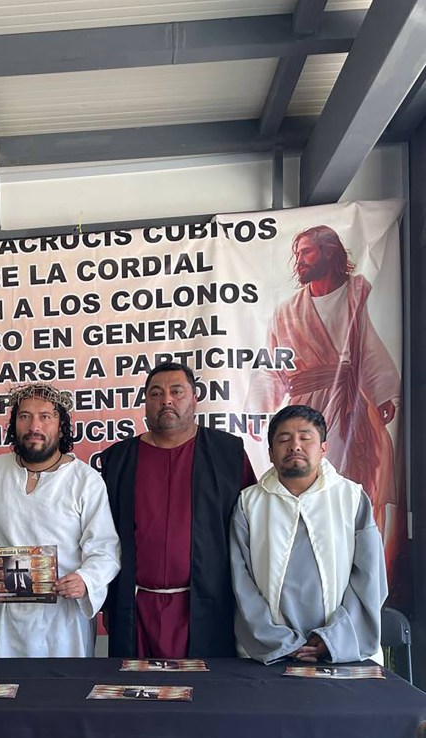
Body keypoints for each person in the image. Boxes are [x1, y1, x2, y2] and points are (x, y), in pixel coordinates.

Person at [246, 225, 401, 534]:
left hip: (352, 405)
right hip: (305, 408)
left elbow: (369, 344)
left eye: (306, 252)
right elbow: (272, 364)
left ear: (328, 252)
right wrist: (258, 409)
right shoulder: (287, 311)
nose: (299, 260)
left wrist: (383, 391)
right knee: (307, 485)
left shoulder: (357, 294)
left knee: (355, 483)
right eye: (297, 254)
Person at [100, 361, 255, 660]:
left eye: (176, 391)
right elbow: (103, 538)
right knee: (131, 688)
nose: (166, 400)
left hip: (208, 607)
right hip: (135, 608)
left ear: (195, 398)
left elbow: (251, 532)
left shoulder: (228, 454)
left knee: (207, 687)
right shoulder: (118, 460)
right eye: (156, 393)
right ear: (145, 402)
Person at [231, 405, 386, 664]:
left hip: (339, 649)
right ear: (270, 452)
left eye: (305, 437)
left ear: (323, 448)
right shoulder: (249, 503)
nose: (295, 446)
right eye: (284, 439)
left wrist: (333, 639)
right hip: (270, 651)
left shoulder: (351, 498)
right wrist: (278, 641)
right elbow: (240, 581)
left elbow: (369, 580)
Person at [0, 384, 120, 657]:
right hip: (8, 620)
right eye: (25, 416)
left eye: (45, 416)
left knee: (64, 684)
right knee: (7, 683)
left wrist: (85, 579)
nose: (34, 426)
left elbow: (105, 549)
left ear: (61, 426)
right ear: (14, 424)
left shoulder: (85, 480)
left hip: (64, 621)